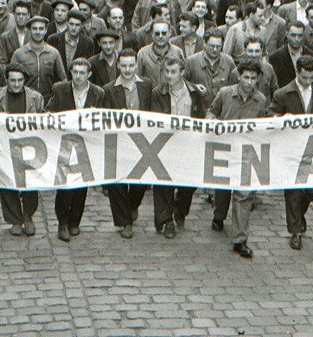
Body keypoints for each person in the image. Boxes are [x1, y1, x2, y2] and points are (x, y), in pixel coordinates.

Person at [208, 61, 268, 259]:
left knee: (243, 194)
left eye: (253, 78)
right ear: (239, 76)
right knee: (223, 188)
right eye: (246, 77)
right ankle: (219, 215)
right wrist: (213, 120)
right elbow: (212, 111)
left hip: (246, 153)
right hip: (225, 149)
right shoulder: (225, 93)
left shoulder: (260, 100)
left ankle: (239, 240)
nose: (249, 82)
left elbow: (263, 126)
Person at [269, 55, 313, 251]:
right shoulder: (283, 94)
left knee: (312, 190)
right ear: (297, 73)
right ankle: (295, 231)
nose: (308, 82)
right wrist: (280, 118)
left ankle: (300, 215)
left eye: (311, 78)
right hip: (291, 151)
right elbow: (270, 116)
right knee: (293, 192)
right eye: (304, 78)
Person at [46, 58, 107, 242]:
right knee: (65, 185)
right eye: (75, 72)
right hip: (65, 143)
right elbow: (49, 109)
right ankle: (62, 222)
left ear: (89, 74)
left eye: (82, 72)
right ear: (70, 72)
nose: (78, 76)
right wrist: (48, 115)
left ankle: (75, 222)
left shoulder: (98, 93)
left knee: (82, 185)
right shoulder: (60, 89)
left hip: (86, 144)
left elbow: (104, 118)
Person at [0, 65, 46, 236]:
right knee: (7, 181)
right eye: (13, 81)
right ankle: (15, 219)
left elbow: (43, 120)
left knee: (30, 183)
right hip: (4, 147)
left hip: (29, 147)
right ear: (7, 80)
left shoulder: (36, 98)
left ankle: (28, 216)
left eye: (20, 80)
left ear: (24, 80)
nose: (16, 84)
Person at [150, 57, 207, 239]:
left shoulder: (194, 92)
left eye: (173, 72)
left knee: (188, 184)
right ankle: (166, 221)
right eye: (166, 71)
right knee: (164, 183)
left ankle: (181, 209)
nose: (169, 75)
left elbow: (201, 116)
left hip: (189, 144)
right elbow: (155, 117)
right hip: (166, 143)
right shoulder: (158, 93)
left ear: (182, 72)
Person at [102, 49, 155, 238]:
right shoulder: (109, 89)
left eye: (131, 65)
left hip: (142, 142)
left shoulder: (146, 85)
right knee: (118, 182)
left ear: (136, 65)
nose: (127, 69)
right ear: (118, 66)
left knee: (140, 182)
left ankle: (132, 205)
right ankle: (125, 221)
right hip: (119, 141)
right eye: (123, 65)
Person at [9, 16, 66, 101]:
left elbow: (63, 79)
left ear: (45, 30)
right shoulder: (19, 54)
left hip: (48, 100)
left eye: (41, 29)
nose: (38, 32)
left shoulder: (54, 53)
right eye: (34, 29)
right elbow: (10, 79)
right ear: (30, 30)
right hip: (25, 100)